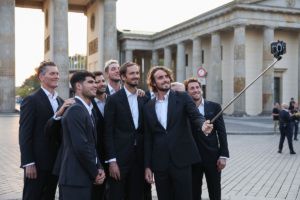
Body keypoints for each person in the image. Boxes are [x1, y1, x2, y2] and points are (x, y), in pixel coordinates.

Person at [143, 66, 213, 200]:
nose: (165, 80)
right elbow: (148, 138)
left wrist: (203, 124)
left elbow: (195, 115)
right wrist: (147, 166)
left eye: (166, 76)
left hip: (181, 160)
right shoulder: (148, 106)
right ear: (153, 83)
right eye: (160, 77)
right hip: (160, 163)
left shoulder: (182, 97)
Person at [19, 61, 72, 200]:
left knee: (49, 196)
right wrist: (28, 162)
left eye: (57, 73)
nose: (56, 76)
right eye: (52, 73)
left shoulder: (61, 101)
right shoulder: (31, 100)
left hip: (55, 163)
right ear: (41, 77)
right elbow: (24, 134)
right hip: (37, 163)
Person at [59, 71, 106, 199]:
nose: (95, 85)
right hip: (75, 179)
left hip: (82, 178)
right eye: (90, 82)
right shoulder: (75, 110)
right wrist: (95, 172)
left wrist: (99, 167)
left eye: (95, 82)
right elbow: (81, 146)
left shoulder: (87, 110)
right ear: (78, 86)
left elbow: (91, 144)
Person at [184, 78, 229, 200]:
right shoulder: (184, 109)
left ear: (201, 89)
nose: (195, 90)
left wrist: (223, 155)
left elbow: (222, 132)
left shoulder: (214, 107)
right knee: (194, 192)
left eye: (197, 87)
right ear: (187, 92)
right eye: (192, 88)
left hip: (212, 157)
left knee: (215, 191)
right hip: (192, 157)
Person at [91, 71, 108, 200]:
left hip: (113, 156)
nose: (102, 84)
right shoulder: (88, 104)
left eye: (103, 81)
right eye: (97, 82)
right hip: (96, 156)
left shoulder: (114, 100)